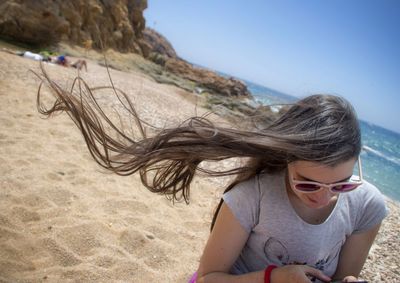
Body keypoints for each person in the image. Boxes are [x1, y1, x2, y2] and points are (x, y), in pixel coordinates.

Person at [36, 71, 387, 283]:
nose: (324, 197)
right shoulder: (251, 197)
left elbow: (342, 277)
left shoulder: (366, 205)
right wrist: (272, 277)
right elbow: (208, 278)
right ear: (285, 161)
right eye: (307, 183)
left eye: (341, 184)